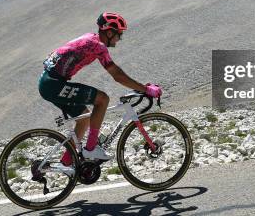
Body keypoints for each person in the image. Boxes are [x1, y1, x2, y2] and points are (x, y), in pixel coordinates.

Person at [39, 12, 162, 163]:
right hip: (53, 84)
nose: (119, 39)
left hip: (49, 82)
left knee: (84, 119)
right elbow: (117, 75)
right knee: (102, 99)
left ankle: (66, 164)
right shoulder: (98, 46)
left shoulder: (91, 38)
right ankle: (91, 150)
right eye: (119, 34)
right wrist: (146, 89)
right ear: (109, 32)